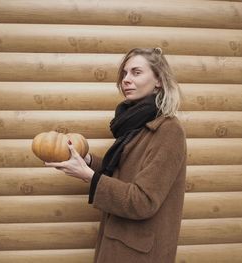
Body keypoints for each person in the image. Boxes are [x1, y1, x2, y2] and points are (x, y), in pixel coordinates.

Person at [45, 47, 187, 263]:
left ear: (158, 79)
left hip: (139, 254)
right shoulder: (136, 124)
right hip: (120, 242)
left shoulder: (168, 130)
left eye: (136, 72)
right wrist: (88, 162)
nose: (126, 80)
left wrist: (89, 176)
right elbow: (122, 173)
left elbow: (143, 201)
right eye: (124, 73)